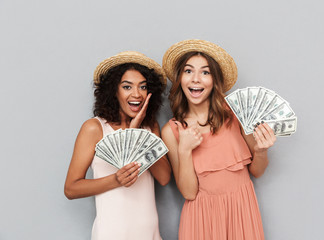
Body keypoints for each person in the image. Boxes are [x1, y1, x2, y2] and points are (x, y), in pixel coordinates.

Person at [161, 39, 276, 240]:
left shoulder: (236, 113)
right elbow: (188, 193)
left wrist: (261, 151)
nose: (196, 79)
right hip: (201, 219)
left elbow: (257, 171)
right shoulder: (172, 131)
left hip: (241, 212)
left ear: (214, 81)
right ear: (180, 78)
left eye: (205, 72)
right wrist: (185, 150)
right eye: (188, 71)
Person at [64, 51, 171, 240]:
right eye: (127, 86)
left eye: (143, 86)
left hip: (149, 233)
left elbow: (163, 178)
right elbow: (71, 189)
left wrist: (136, 133)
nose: (136, 93)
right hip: (112, 233)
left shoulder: (150, 126)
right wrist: (116, 180)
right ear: (114, 91)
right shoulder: (94, 128)